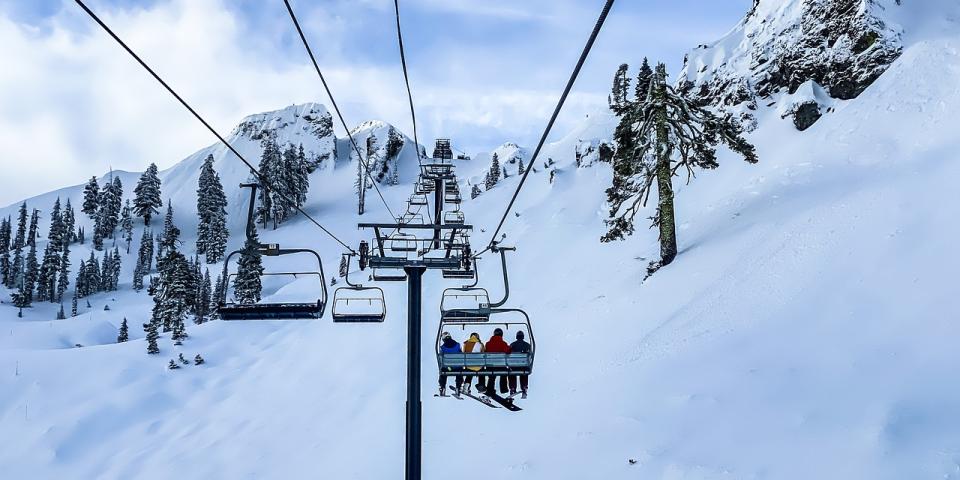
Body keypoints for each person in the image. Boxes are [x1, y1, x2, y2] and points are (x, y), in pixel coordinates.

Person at [482, 328, 511, 395]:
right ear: (501, 335)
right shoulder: (503, 343)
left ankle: (490, 389)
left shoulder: (488, 343)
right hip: (500, 366)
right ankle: (503, 389)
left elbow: (485, 352)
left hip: (490, 366)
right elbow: (508, 351)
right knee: (504, 373)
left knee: (492, 377)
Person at [438, 332, 463, 397]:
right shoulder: (458, 345)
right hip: (457, 368)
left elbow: (441, 359)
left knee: (443, 371)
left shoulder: (442, 347)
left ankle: (442, 387)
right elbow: (461, 355)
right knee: (460, 369)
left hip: (448, 368)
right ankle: (458, 387)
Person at [508, 330, 531, 398]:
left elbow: (508, 354)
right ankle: (524, 387)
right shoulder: (527, 345)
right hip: (523, 366)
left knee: (512, 373)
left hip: (514, 366)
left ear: (517, 337)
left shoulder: (512, 345)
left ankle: (512, 388)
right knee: (524, 373)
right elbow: (530, 356)